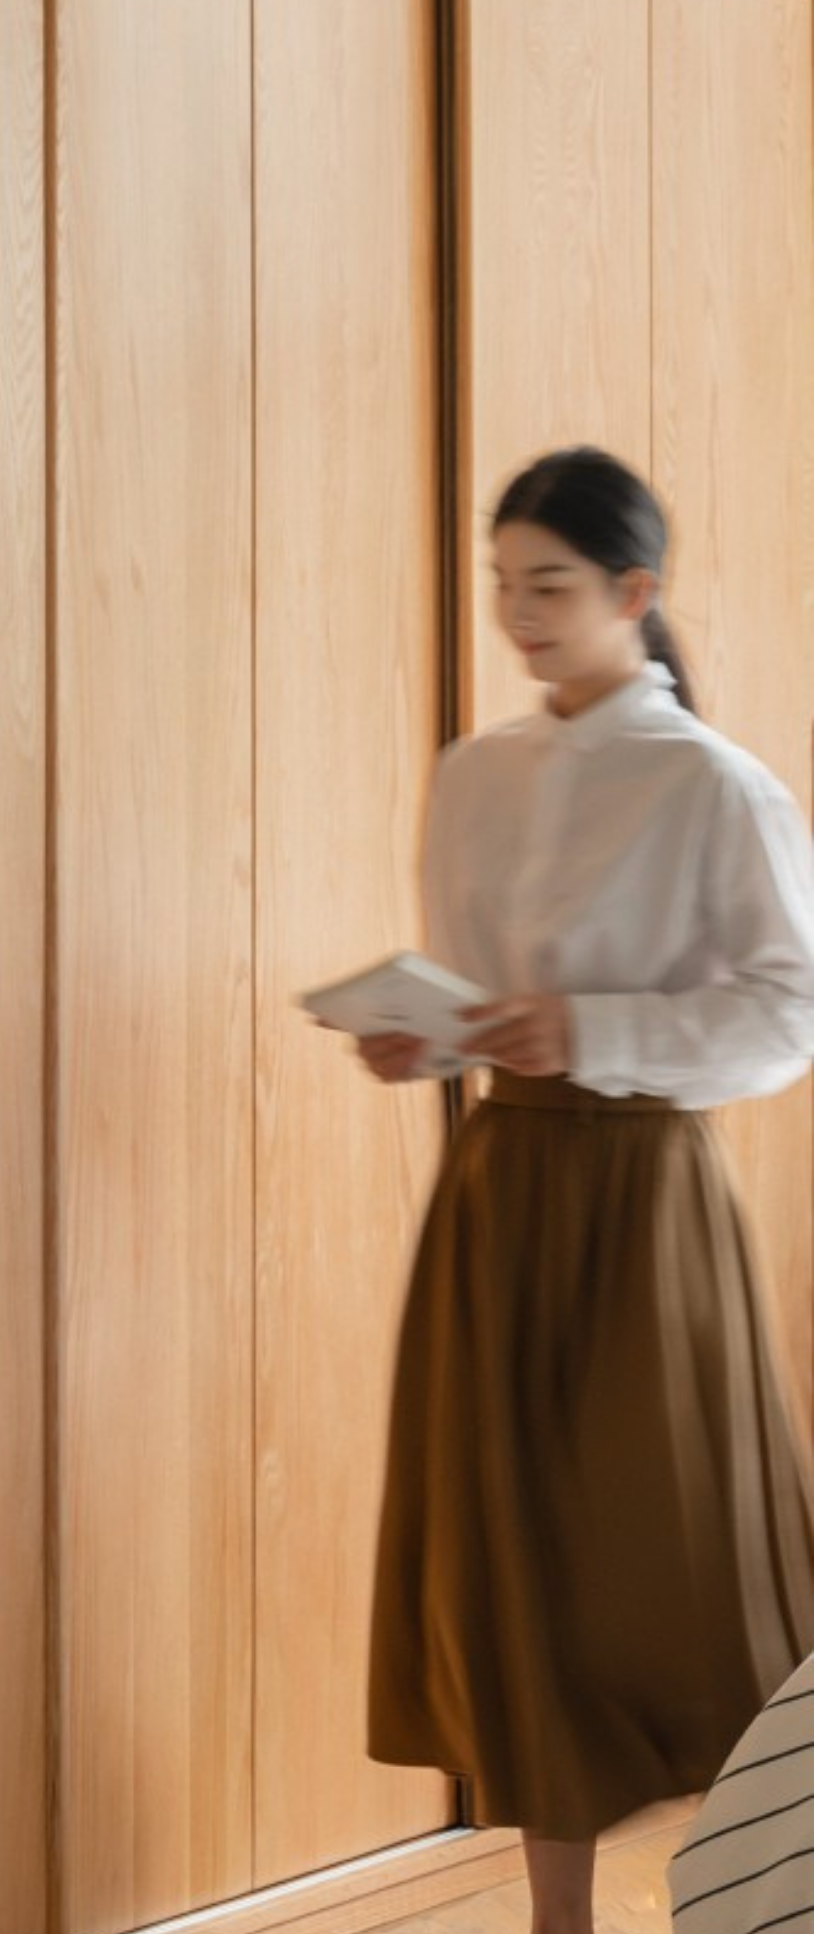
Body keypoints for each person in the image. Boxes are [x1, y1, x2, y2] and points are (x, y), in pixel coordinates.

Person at [350, 446, 814, 1934]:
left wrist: (592, 1031)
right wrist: (421, 1037)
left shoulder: (715, 785)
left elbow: (787, 1015)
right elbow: (476, 991)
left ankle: (760, 1888)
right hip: (500, 1190)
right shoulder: (472, 775)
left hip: (646, 1202)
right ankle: (558, 1919)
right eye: (501, 585)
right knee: (518, 1559)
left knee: (687, 1557)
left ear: (632, 591)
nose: (516, 614)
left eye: (544, 586)